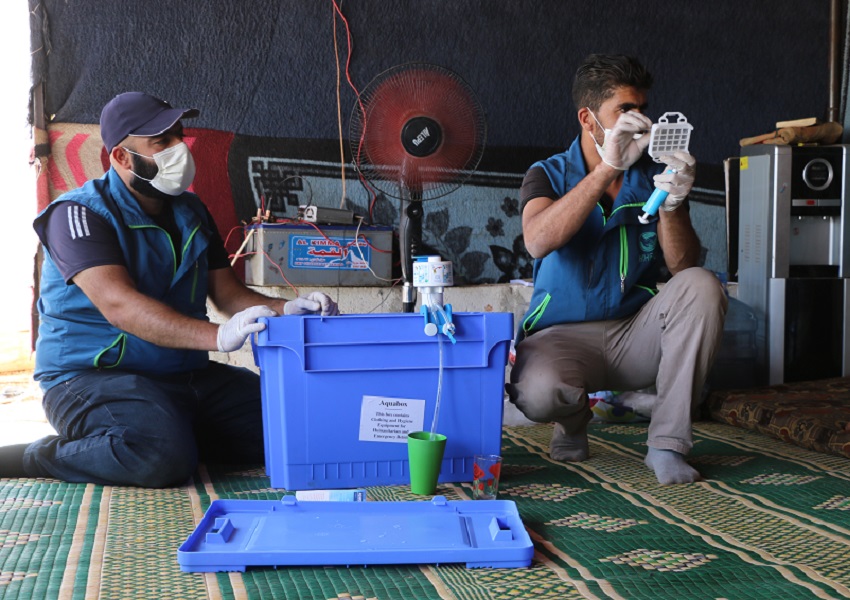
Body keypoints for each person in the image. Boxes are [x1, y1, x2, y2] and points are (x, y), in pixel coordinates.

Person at [0, 92, 339, 487]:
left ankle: (170, 433)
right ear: (122, 157)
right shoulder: (78, 215)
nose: (179, 148)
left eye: (178, 136)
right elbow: (119, 305)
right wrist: (218, 335)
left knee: (298, 423)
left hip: (181, 376)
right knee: (159, 456)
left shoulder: (191, 211)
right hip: (91, 379)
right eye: (161, 142)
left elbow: (228, 295)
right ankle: (41, 455)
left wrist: (287, 308)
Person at [506, 55, 728, 485]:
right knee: (537, 393)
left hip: (635, 333)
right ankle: (573, 420)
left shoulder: (655, 173)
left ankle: (666, 445)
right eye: (624, 110)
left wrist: (673, 205)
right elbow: (537, 239)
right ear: (588, 120)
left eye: (641, 107)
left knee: (702, 286)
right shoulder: (547, 173)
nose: (638, 120)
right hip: (562, 336)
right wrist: (609, 167)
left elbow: (683, 267)